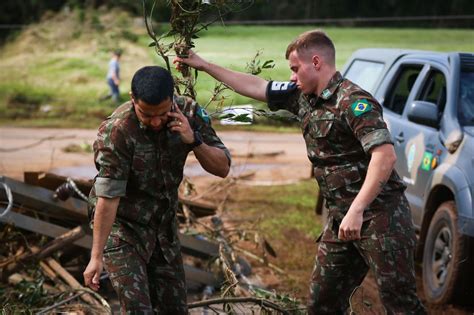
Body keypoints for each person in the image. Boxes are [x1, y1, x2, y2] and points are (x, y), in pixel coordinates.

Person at [175, 30, 426, 314]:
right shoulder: (301, 97)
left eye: (295, 69)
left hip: (382, 218)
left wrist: (358, 209)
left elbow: (385, 156)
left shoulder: (354, 102)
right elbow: (256, 86)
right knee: (322, 303)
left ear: (316, 62)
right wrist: (204, 65)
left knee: (400, 303)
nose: (292, 76)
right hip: (341, 221)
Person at [83, 65, 231, 314]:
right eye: (146, 114)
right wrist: (96, 257)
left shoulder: (190, 113)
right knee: (138, 309)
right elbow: (109, 197)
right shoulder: (117, 131)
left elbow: (223, 167)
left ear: (172, 99)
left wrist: (193, 139)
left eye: (161, 114)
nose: (155, 121)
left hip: (163, 226)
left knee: (174, 308)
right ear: (133, 100)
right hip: (122, 228)